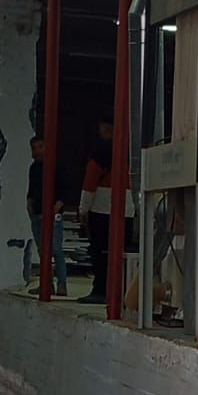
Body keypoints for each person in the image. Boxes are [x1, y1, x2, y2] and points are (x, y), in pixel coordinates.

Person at [79, 117, 116, 303]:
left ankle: (100, 290)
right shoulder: (129, 149)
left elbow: (90, 181)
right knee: (119, 252)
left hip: (101, 207)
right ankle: (118, 290)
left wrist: (83, 209)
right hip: (127, 208)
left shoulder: (100, 151)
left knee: (99, 251)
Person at [25, 134, 66, 293]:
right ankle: (46, 283)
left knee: (56, 249)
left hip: (53, 213)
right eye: (34, 148)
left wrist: (58, 205)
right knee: (43, 250)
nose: (37, 151)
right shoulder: (34, 168)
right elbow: (32, 188)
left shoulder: (57, 165)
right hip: (37, 212)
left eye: (40, 147)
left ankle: (61, 283)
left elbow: (65, 188)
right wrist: (29, 202)